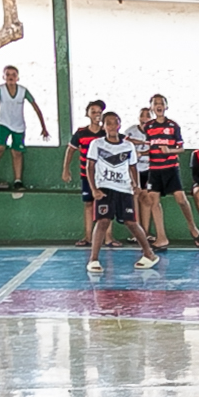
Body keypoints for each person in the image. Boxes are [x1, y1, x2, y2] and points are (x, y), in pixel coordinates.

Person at [85, 111, 160, 274]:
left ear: (119, 125)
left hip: (124, 189)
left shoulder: (128, 146)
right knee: (103, 221)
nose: (112, 126)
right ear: (103, 126)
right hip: (104, 188)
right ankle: (93, 259)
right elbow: (89, 167)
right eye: (109, 123)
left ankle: (149, 254)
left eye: (115, 122)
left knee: (131, 222)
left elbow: (133, 167)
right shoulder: (96, 144)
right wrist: (94, 189)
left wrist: (136, 186)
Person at [144, 94, 199, 246]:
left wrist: (169, 151)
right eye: (155, 103)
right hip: (154, 169)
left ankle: (192, 227)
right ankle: (161, 237)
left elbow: (181, 148)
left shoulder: (173, 126)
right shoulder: (148, 127)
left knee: (181, 199)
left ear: (166, 106)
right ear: (151, 107)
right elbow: (149, 147)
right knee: (153, 201)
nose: (158, 106)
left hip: (170, 168)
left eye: (161, 103)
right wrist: (140, 153)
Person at [0, 65, 50, 195]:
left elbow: (36, 107)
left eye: (13, 75)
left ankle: (18, 180)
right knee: (0, 148)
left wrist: (43, 127)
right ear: (3, 77)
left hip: (18, 125)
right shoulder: (0, 90)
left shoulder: (23, 91)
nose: (11, 77)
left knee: (17, 152)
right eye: (8, 74)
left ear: (18, 77)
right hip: (3, 123)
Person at [64, 100, 107, 247]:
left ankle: (108, 238)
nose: (96, 114)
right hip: (86, 175)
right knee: (89, 204)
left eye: (99, 112)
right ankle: (88, 237)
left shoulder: (106, 132)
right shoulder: (81, 133)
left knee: (105, 205)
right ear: (87, 114)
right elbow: (70, 150)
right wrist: (66, 169)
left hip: (104, 176)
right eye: (93, 111)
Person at [125, 108, 157, 249]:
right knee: (134, 198)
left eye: (148, 116)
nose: (145, 118)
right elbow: (124, 143)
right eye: (142, 116)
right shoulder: (130, 131)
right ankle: (136, 232)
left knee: (147, 198)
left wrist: (142, 152)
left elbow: (157, 149)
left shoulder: (156, 132)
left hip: (149, 170)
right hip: (133, 170)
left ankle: (146, 231)